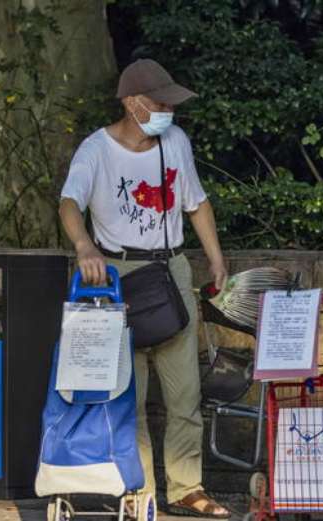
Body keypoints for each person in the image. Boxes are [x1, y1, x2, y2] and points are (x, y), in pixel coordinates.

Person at [58, 58, 230, 518]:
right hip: (117, 275)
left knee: (184, 391)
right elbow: (69, 202)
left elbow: (196, 203)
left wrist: (214, 257)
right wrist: (84, 246)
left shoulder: (174, 141)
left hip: (170, 268)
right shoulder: (96, 150)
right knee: (126, 394)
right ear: (133, 104)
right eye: (160, 102)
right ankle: (140, 491)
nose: (168, 111)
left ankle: (187, 486)